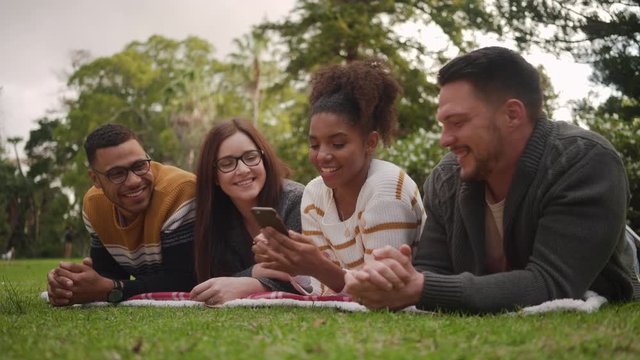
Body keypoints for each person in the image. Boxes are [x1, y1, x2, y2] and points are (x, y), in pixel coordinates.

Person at [344, 46, 640, 313]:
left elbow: (552, 283)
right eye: (443, 125)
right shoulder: (446, 178)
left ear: (512, 114)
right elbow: (432, 270)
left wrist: (421, 288)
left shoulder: (585, 162)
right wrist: (395, 279)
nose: (445, 140)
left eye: (457, 122)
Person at [253, 59, 426, 295]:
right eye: (314, 145)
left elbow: (385, 293)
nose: (323, 155)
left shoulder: (386, 190)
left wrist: (318, 266)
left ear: (370, 142)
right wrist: (292, 259)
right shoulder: (315, 194)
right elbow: (325, 295)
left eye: (338, 144)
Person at [46, 123, 197, 306]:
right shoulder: (94, 204)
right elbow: (110, 274)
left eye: (140, 165)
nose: (134, 181)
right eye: (117, 173)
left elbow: (186, 280)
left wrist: (111, 289)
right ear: (95, 179)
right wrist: (71, 283)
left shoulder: (179, 192)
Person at [189, 118, 305, 305]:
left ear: (264, 159)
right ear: (214, 177)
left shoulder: (296, 200)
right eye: (227, 163)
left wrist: (250, 284)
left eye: (250, 157)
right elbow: (214, 281)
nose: (242, 170)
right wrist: (256, 271)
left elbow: (306, 279)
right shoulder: (215, 215)